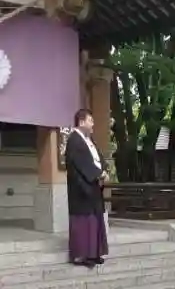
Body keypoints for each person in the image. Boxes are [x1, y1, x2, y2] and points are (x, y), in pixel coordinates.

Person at [65, 108, 109, 268]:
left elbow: (99, 159)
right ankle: (82, 255)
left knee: (95, 220)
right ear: (81, 121)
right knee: (84, 222)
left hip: (93, 187)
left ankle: (95, 253)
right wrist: (98, 174)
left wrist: (104, 170)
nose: (93, 124)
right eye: (90, 121)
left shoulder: (89, 140)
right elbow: (82, 163)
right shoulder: (74, 140)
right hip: (81, 188)